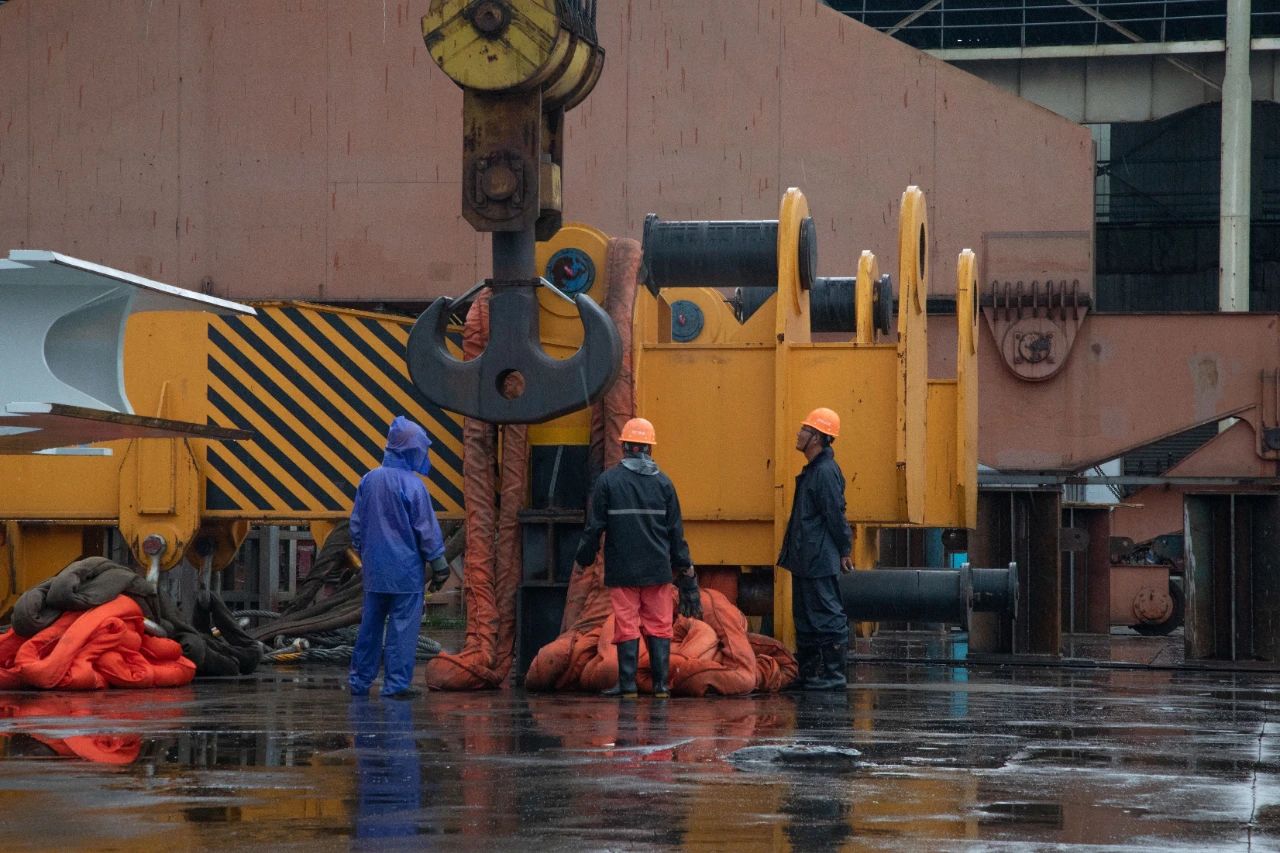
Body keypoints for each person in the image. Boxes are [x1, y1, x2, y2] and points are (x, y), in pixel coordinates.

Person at [572, 417, 700, 699]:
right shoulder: (665, 485)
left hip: (623, 570)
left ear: (624, 447)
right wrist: (687, 571)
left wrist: (583, 558)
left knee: (627, 624)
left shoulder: (608, 482)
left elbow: (595, 527)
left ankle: (628, 686)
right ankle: (661, 687)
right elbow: (676, 534)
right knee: (660, 626)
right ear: (649, 450)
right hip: (657, 570)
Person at [348, 416, 449, 699]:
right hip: (405, 573)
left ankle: (359, 682)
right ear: (412, 449)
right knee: (402, 631)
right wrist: (439, 566)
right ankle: (395, 686)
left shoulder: (369, 480)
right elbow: (426, 530)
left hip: (375, 571)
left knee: (369, 629)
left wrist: (367, 552)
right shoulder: (414, 487)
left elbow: (355, 526)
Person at [777, 407, 854, 691]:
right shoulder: (814, 471)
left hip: (819, 557)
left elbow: (835, 514)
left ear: (817, 438)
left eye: (804, 430)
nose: (799, 434)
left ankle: (833, 674)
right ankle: (810, 673)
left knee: (827, 614)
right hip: (807, 557)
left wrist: (845, 549)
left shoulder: (825, 472)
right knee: (806, 615)